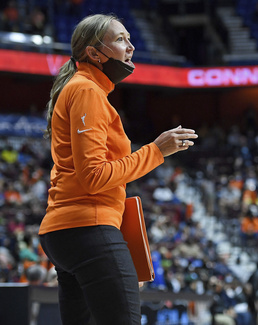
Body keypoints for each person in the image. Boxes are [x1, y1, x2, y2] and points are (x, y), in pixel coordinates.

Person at [38, 14, 198, 325]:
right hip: (87, 228)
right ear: (94, 53)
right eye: (120, 39)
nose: (131, 46)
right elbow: (94, 177)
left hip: (68, 230)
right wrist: (156, 151)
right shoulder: (86, 91)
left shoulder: (84, 89)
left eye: (129, 38)